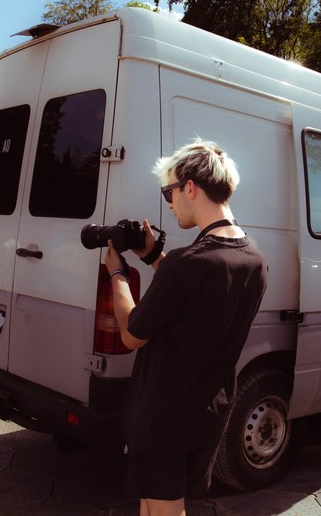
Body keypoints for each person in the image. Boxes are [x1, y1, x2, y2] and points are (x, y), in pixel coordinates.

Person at [105, 139, 267, 516]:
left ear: (190, 187)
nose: (169, 202)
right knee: (160, 505)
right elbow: (198, 294)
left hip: (164, 413)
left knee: (161, 510)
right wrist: (152, 257)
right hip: (208, 409)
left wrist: (117, 273)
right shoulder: (254, 258)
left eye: (169, 191)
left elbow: (131, 334)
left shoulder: (187, 263)